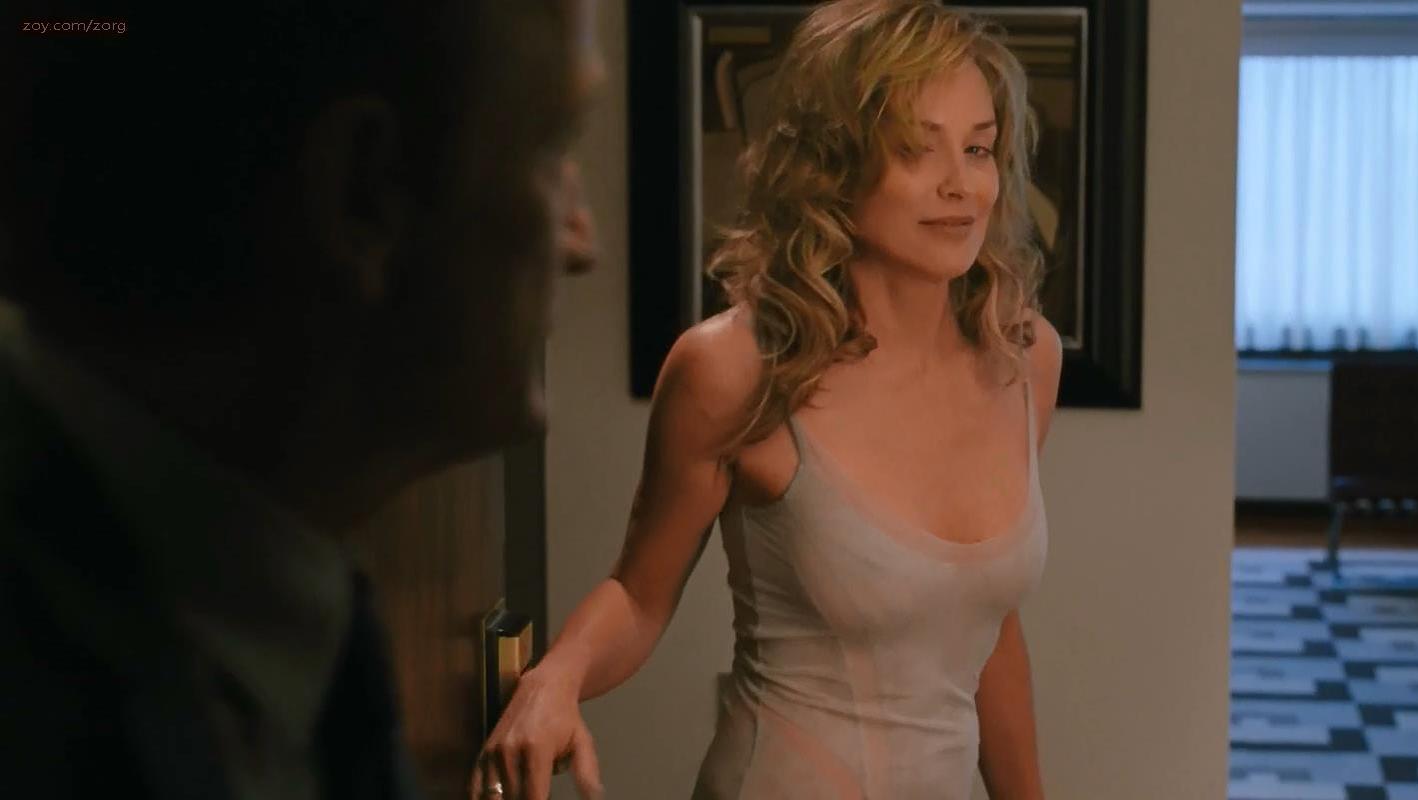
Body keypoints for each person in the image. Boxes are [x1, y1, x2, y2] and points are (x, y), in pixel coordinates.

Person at [0, 2, 603, 798]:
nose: (583, 241)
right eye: (550, 148)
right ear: (365, 192)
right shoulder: (38, 701)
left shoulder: (286, 607)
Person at [475, 1, 1062, 798]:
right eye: (915, 150)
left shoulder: (1024, 361)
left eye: (979, 148)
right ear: (836, 162)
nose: (960, 186)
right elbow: (639, 597)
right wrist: (556, 678)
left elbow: (984, 625)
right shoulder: (734, 369)